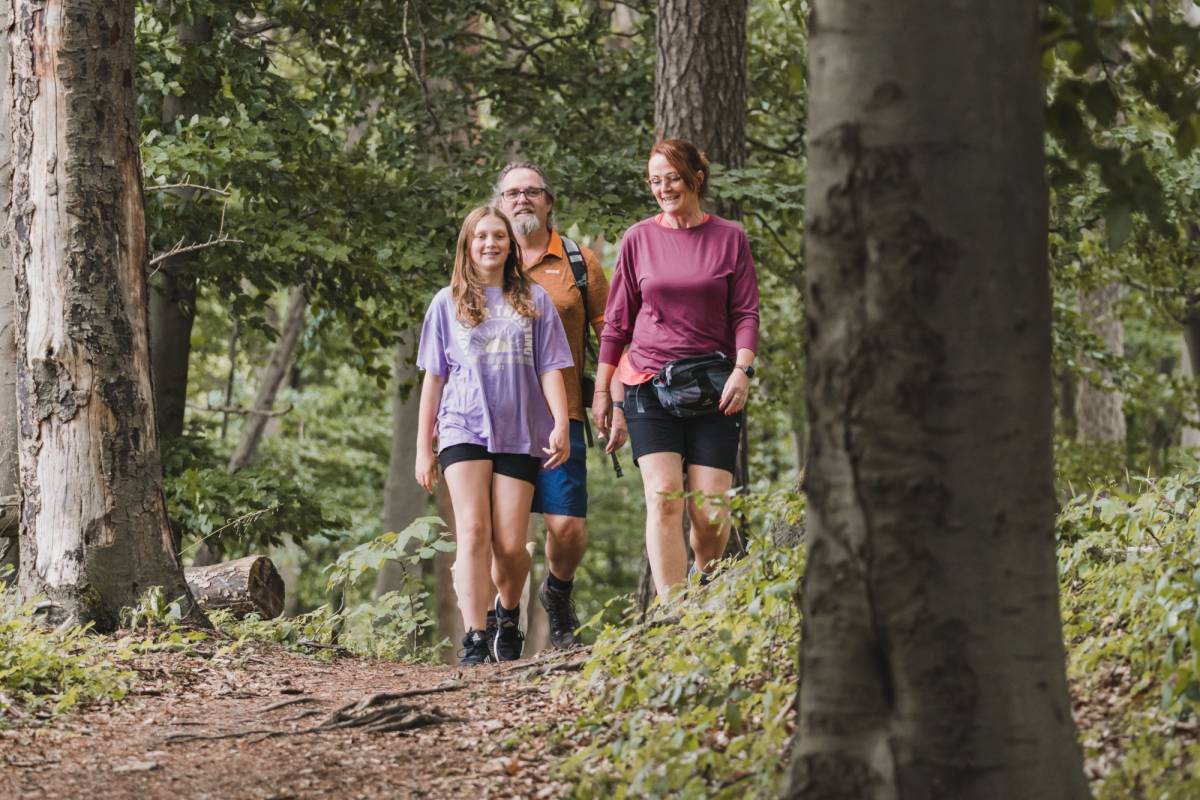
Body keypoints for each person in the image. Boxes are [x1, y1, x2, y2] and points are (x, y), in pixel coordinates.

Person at [592, 139, 760, 602]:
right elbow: (617, 324)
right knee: (664, 498)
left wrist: (742, 370)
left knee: (710, 512)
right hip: (648, 384)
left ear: (695, 178)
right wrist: (604, 392)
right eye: (654, 181)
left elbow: (746, 313)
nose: (663, 188)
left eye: (671, 178)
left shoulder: (730, 238)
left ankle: (703, 592)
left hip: (713, 386)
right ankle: (672, 612)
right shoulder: (638, 239)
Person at [414, 206, 574, 665]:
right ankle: (475, 638)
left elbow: (551, 368)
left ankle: (507, 612)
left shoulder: (535, 300)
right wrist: (423, 448)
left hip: (520, 430)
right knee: (473, 530)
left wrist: (560, 423)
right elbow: (434, 379)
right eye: (481, 236)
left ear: (510, 245)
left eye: (498, 236)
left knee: (509, 546)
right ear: (468, 245)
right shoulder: (446, 302)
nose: (490, 243)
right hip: (462, 425)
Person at [492, 162, 627, 648]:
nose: (522, 200)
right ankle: (505, 618)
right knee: (504, 534)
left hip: (560, 416)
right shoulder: (486, 257)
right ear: (500, 204)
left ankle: (558, 592)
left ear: (549, 202)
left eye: (532, 191)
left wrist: (613, 399)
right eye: (512, 193)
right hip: (497, 420)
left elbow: (612, 336)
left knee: (566, 526)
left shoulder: (577, 261)